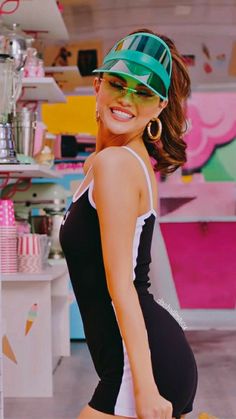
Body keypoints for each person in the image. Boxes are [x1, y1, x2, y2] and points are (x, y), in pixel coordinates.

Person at [59, 29, 198, 419]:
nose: (126, 99)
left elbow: (123, 285)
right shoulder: (108, 162)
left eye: (143, 92)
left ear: (159, 107)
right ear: (98, 86)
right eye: (118, 84)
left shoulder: (116, 164)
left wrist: (145, 386)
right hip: (135, 359)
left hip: (139, 365)